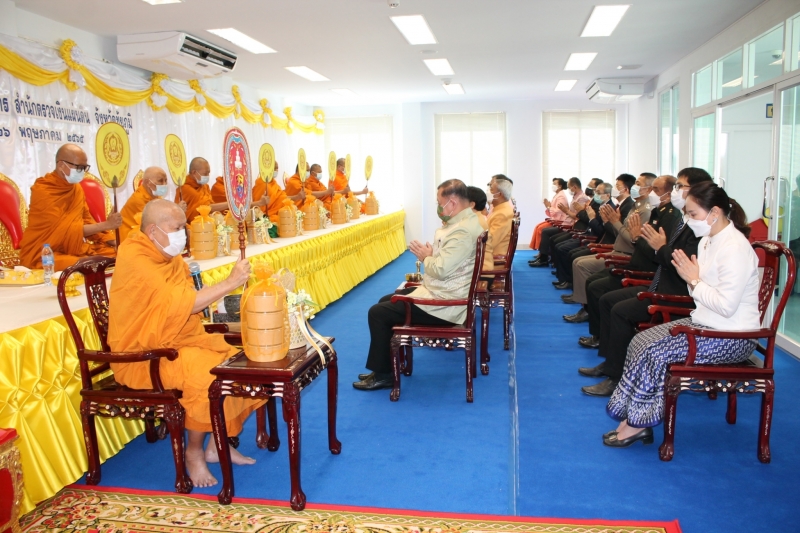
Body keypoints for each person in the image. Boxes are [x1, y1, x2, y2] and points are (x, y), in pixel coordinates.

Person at [107, 199, 263, 486]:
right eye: (177, 227)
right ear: (153, 231)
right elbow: (185, 305)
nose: (184, 233)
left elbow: (181, 306)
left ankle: (218, 442)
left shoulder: (167, 256)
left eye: (184, 227)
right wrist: (229, 283)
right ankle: (193, 453)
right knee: (208, 376)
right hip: (144, 357)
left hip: (178, 341)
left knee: (237, 363)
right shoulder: (137, 259)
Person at [603, 182, 758, 447]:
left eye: (693, 214)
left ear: (715, 212)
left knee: (655, 352)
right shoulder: (710, 240)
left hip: (733, 336)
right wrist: (693, 280)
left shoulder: (734, 248)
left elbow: (726, 305)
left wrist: (695, 282)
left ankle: (638, 423)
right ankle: (633, 417)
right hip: (707, 323)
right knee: (640, 341)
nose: (688, 219)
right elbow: (698, 285)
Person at [580, 168, 714, 396]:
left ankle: (616, 377)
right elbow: (657, 254)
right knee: (607, 299)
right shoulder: (684, 219)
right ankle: (610, 362)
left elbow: (676, 262)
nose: (676, 191)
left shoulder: (698, 227)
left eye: (681, 186)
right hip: (660, 283)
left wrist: (660, 247)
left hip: (678, 294)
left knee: (621, 310)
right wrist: (655, 246)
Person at [353, 179, 485, 391]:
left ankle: (384, 376)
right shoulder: (467, 222)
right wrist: (433, 255)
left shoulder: (461, 232)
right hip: (443, 292)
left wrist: (426, 257)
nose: (438, 208)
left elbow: (440, 270)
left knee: (377, 312)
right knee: (386, 300)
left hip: (446, 305)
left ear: (452, 202)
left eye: (439, 203)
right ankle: (386, 365)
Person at [578, 175, 680, 348]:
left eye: (655, 189)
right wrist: (609, 222)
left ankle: (600, 339)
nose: (635, 187)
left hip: (639, 266)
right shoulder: (649, 209)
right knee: (594, 283)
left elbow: (636, 242)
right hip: (633, 261)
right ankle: (598, 335)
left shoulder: (655, 212)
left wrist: (617, 225)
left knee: (601, 292)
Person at [19, 143, 120, 270]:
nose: (82, 172)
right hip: (45, 252)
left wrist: (114, 242)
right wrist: (106, 225)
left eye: (85, 167)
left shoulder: (76, 189)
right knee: (87, 264)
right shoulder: (44, 190)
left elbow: (87, 220)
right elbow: (65, 230)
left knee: (117, 254)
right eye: (79, 167)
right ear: (61, 165)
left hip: (74, 247)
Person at [564, 173, 656, 308]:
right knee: (577, 260)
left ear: (649, 189)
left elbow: (633, 239)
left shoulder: (645, 210)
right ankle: (583, 302)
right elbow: (617, 232)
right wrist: (612, 222)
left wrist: (614, 222)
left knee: (581, 264)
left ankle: (585, 306)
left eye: (638, 184)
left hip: (626, 254)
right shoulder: (635, 206)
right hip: (617, 249)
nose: (635, 187)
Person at [176, 157, 267, 223]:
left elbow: (211, 207)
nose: (208, 176)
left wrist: (258, 203)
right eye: (205, 173)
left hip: (212, 224)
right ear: (194, 172)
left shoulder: (205, 187)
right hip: (196, 228)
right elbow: (207, 207)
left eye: (209, 173)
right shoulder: (185, 189)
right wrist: (231, 204)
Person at [530, 178, 588, 267]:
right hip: (565, 223)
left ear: (574, 187)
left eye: (569, 187)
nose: (568, 189)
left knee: (545, 231)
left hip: (570, 225)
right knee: (544, 230)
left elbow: (578, 217)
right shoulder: (575, 196)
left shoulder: (582, 198)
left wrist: (565, 210)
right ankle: (544, 257)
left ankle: (544, 258)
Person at [120, 167, 186, 242]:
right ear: (148, 183)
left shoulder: (155, 195)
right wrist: (176, 212)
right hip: (132, 238)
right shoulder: (138, 200)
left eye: (166, 180)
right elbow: (155, 222)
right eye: (160, 181)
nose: (164, 184)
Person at [482, 175, 515, 274]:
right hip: (491, 254)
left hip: (493, 258)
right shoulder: (500, 209)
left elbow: (490, 243)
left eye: (491, 189)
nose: (488, 191)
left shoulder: (502, 214)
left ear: (499, 194)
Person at [529, 178, 568, 251]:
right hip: (554, 220)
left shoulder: (561, 196)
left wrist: (549, 206)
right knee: (538, 226)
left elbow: (557, 211)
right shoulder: (557, 195)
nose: (553, 185)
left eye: (554, 184)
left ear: (560, 186)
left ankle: (543, 253)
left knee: (541, 228)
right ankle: (540, 252)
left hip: (559, 221)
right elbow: (551, 212)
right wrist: (548, 207)